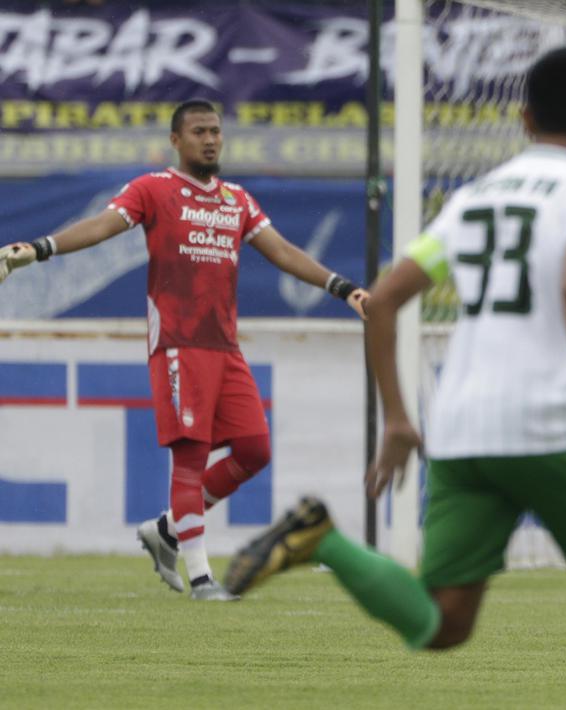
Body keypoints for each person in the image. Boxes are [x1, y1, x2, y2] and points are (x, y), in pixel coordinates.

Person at [222, 47, 566, 708]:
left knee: (443, 623)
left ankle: (322, 538)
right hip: (546, 420)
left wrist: (399, 419)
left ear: (523, 119)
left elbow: (380, 301)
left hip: (461, 426)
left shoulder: (474, 198)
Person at [0, 99, 369, 601]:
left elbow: (281, 250)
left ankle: (167, 532)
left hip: (224, 346)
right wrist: (40, 249)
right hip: (177, 342)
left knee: (255, 449)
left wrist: (343, 287)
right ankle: (201, 578)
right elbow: (102, 227)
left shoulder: (236, 199)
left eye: (216, 130)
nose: (211, 139)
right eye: (199, 131)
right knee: (191, 456)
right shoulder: (154, 189)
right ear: (177, 140)